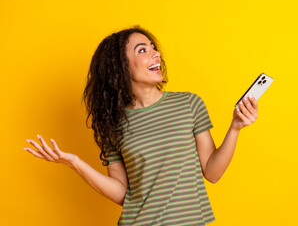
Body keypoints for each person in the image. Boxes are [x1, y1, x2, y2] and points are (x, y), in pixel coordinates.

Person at [24, 25, 259, 225]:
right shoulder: (114, 123)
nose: (156, 54)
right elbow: (122, 193)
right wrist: (75, 163)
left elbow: (212, 172)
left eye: (153, 48)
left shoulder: (189, 103)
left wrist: (235, 128)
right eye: (143, 50)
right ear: (121, 66)